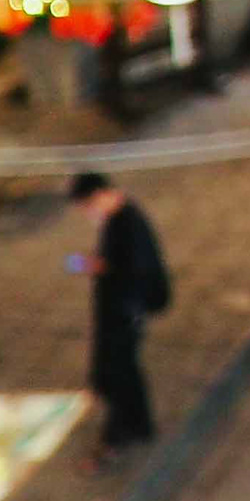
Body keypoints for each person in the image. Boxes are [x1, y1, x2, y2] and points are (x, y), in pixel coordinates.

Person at [67, 172, 171, 467]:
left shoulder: (127, 224)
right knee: (127, 372)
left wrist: (95, 265)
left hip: (125, 313)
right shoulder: (121, 220)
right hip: (121, 310)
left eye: (87, 206)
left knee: (116, 375)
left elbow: (129, 268)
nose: (88, 214)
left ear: (100, 195)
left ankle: (113, 442)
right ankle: (141, 427)